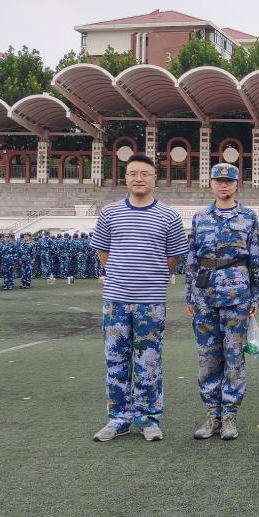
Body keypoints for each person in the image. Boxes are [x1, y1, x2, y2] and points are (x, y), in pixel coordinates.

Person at [89, 153, 189, 443]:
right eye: (133, 173)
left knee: (149, 362)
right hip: (116, 300)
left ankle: (148, 418)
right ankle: (118, 419)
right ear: (125, 178)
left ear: (155, 178)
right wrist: (119, 274)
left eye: (145, 173)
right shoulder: (110, 213)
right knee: (115, 361)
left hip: (150, 302)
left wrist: (152, 277)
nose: (139, 178)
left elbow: (174, 257)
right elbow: (102, 251)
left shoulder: (169, 216)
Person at [185, 162, 259, 442]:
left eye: (229, 181)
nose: (223, 185)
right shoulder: (200, 217)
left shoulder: (248, 217)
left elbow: (255, 259)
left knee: (234, 356)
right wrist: (189, 294)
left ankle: (229, 415)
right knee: (208, 358)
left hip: (237, 295)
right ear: (211, 184)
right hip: (205, 296)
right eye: (219, 181)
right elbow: (192, 258)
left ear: (237, 184)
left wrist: (255, 295)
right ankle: (212, 414)